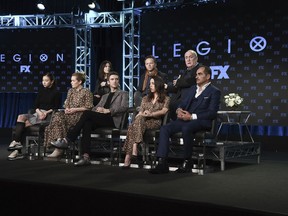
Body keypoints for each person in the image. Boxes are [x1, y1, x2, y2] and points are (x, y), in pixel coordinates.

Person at [149, 65, 221, 174]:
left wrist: (192, 117)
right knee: (165, 128)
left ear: (208, 76)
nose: (196, 77)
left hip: (201, 121)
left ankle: (187, 161)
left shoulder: (214, 91)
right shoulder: (192, 89)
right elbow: (182, 104)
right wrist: (178, 110)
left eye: (200, 74)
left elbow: (212, 113)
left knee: (187, 128)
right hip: (185, 119)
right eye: (196, 74)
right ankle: (162, 162)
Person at [50, 71, 129, 166]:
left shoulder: (123, 93)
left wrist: (108, 110)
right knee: (87, 123)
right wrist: (98, 110)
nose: (114, 81)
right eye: (112, 79)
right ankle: (86, 156)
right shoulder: (105, 96)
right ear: (108, 82)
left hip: (112, 120)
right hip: (101, 118)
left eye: (116, 79)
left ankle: (68, 139)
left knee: (87, 113)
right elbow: (94, 108)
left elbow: (124, 107)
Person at [7, 72, 61, 160]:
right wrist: (38, 112)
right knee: (21, 117)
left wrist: (45, 113)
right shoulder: (41, 91)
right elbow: (36, 105)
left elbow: (56, 107)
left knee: (22, 126)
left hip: (48, 116)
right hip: (38, 114)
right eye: (43, 80)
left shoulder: (56, 93)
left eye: (46, 80)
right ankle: (16, 143)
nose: (44, 82)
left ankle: (16, 150)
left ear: (52, 81)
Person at [122, 76, 170, 169]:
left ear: (158, 84)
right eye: (150, 83)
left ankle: (128, 157)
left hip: (155, 121)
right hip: (143, 120)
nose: (150, 85)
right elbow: (141, 111)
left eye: (153, 83)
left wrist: (151, 114)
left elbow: (164, 111)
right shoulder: (145, 98)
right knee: (137, 121)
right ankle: (134, 147)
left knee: (133, 126)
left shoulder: (166, 98)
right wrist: (141, 114)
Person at [44, 72, 93, 158]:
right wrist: (67, 109)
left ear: (80, 82)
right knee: (57, 115)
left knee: (58, 119)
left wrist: (75, 109)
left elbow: (89, 108)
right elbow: (66, 104)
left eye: (73, 81)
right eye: (71, 81)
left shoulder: (86, 92)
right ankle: (60, 141)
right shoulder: (70, 91)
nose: (71, 82)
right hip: (69, 114)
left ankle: (59, 148)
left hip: (80, 116)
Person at [165, 50, 201, 121]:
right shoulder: (186, 71)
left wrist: (178, 81)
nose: (188, 60)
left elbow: (191, 81)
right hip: (178, 100)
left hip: (190, 99)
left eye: (191, 57)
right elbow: (178, 86)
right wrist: (167, 87)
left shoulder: (200, 69)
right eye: (186, 57)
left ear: (196, 58)